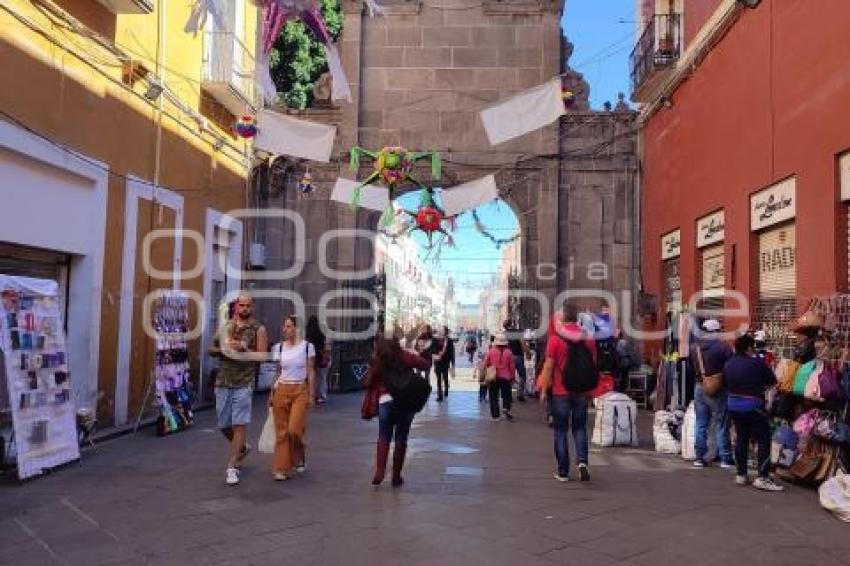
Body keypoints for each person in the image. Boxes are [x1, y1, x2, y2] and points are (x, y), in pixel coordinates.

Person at [209, 293, 268, 486]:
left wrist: (244, 349)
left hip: (244, 382)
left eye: (247, 305)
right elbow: (211, 349)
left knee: (239, 423)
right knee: (223, 424)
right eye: (241, 305)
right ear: (237, 307)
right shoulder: (225, 327)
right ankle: (242, 447)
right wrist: (225, 349)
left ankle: (232, 466)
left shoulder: (259, 329)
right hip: (223, 381)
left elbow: (262, 357)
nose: (244, 309)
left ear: (253, 306)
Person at [364, 332, 430, 487]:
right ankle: (396, 476)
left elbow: (367, 383)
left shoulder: (378, 360)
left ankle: (379, 472)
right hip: (405, 402)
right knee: (401, 438)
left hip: (386, 402)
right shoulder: (405, 356)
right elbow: (425, 364)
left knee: (384, 437)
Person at [539, 304, 596, 482]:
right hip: (581, 390)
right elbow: (592, 365)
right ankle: (582, 462)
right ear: (577, 318)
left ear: (562, 318)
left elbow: (548, 367)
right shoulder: (588, 337)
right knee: (580, 428)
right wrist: (591, 390)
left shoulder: (555, 339)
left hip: (560, 391)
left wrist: (543, 389)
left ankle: (563, 471)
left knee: (561, 430)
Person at [723, 333, 784, 491]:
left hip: (733, 406)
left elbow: (726, 384)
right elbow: (772, 382)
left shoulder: (728, 363)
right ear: (750, 347)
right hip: (753, 406)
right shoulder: (757, 363)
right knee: (764, 439)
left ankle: (741, 475)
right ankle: (763, 477)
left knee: (741, 438)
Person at [269, 315, 316, 481]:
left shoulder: (307, 347)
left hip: (299, 390)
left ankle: (299, 450)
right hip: (281, 389)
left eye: (288, 326)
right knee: (282, 432)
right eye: (284, 326)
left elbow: (310, 371)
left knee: (294, 429)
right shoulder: (278, 348)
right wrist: (271, 393)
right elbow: (277, 372)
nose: (285, 329)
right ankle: (281, 469)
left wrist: (311, 394)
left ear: (297, 329)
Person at [690, 318, 734, 469]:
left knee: (701, 423)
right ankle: (725, 458)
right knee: (721, 423)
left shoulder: (693, 348)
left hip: (699, 387)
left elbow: (691, 368)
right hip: (718, 388)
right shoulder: (723, 348)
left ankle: (699, 457)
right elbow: (730, 368)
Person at [483, 332, 516, 421]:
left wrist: (488, 369)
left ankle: (495, 416)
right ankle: (505, 407)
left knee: (493, 396)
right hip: (505, 377)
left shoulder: (491, 351)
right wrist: (513, 377)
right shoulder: (509, 353)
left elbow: (486, 363)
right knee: (507, 394)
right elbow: (512, 367)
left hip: (493, 377)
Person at [305, 315, 331, 405]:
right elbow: (327, 347)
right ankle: (321, 396)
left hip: (312, 357)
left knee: (313, 376)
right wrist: (326, 358)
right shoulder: (323, 333)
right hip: (321, 356)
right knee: (322, 378)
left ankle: (313, 395)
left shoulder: (308, 333)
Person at [504, 320, 529, 402]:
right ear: (512, 324)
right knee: (522, 375)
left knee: (509, 376)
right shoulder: (517, 332)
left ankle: (508, 395)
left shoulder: (504, 334)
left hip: (508, 357)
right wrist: (527, 352)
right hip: (518, 356)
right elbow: (523, 343)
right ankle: (520, 394)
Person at [433, 327, 452, 402]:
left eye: (441, 330)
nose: (440, 331)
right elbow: (432, 349)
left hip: (445, 362)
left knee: (445, 377)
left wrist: (452, 364)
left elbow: (451, 352)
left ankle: (446, 389)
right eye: (439, 330)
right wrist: (436, 354)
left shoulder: (449, 341)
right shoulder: (435, 340)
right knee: (438, 379)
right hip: (437, 362)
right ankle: (439, 395)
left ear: (445, 332)